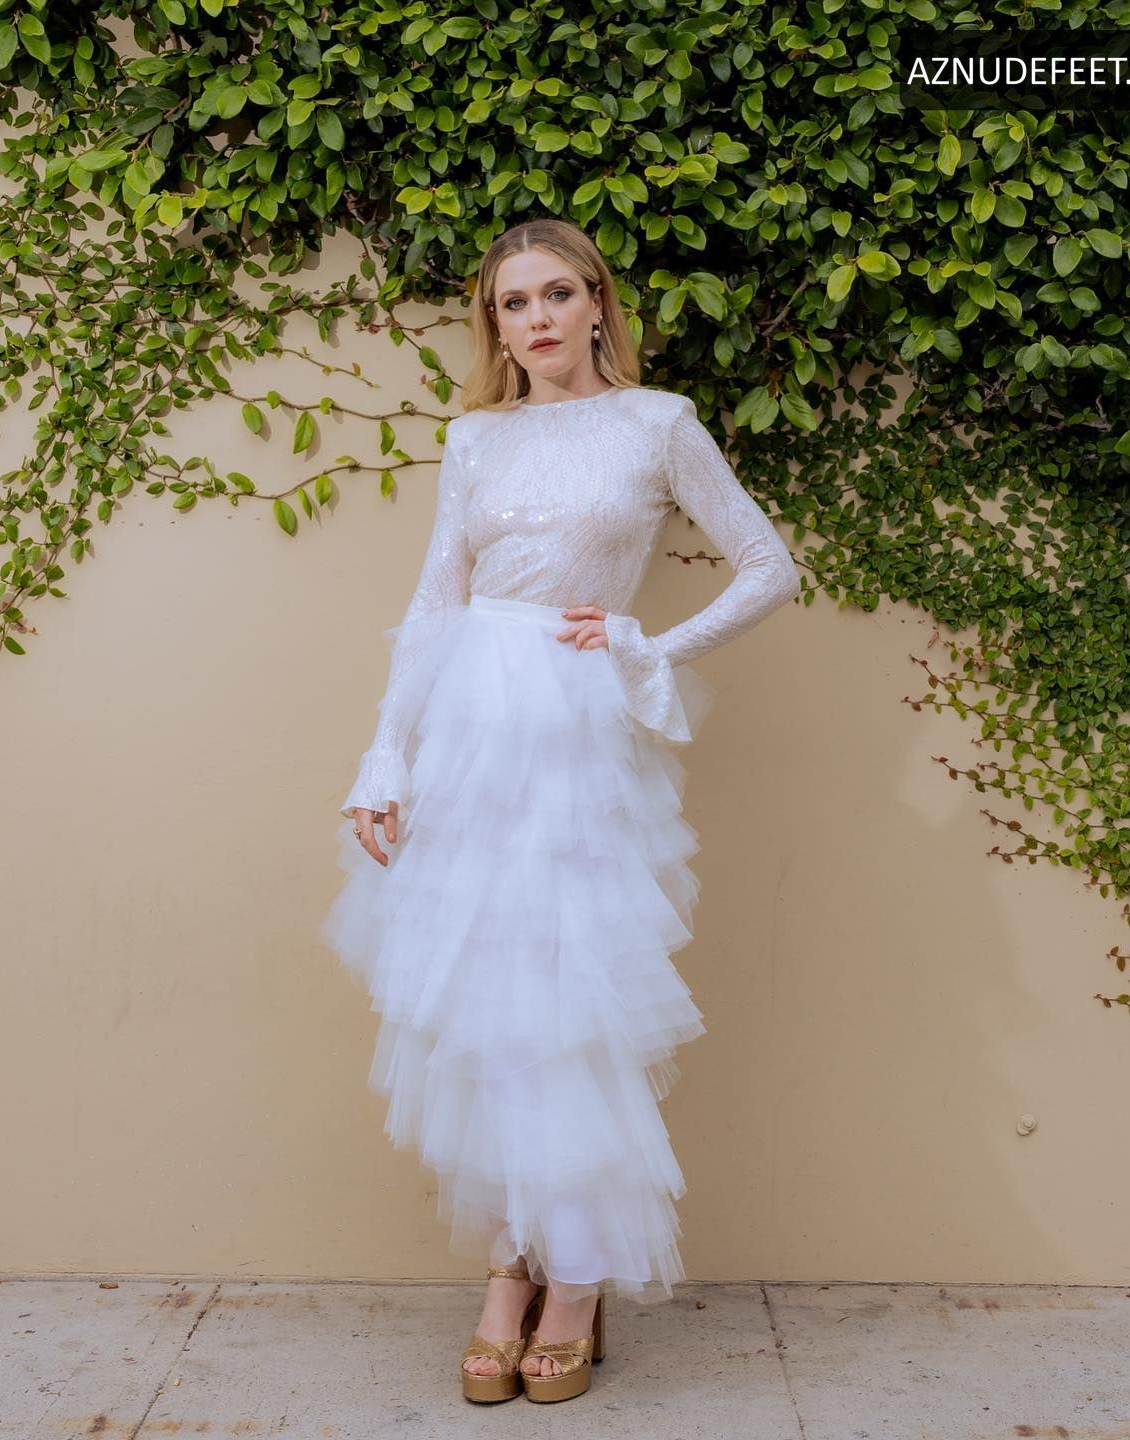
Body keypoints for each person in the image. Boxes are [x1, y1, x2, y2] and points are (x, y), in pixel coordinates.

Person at [319, 218, 801, 1404]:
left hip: (577, 738)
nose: (534, 320)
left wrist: (647, 645)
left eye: (554, 295)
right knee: (490, 1005)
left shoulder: (658, 424)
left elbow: (769, 565)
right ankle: (509, 1267)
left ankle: (574, 1282)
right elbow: (437, 601)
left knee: (568, 1004)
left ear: (596, 304)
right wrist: (384, 756)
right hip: (468, 733)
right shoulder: (475, 438)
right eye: (511, 303)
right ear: (495, 325)